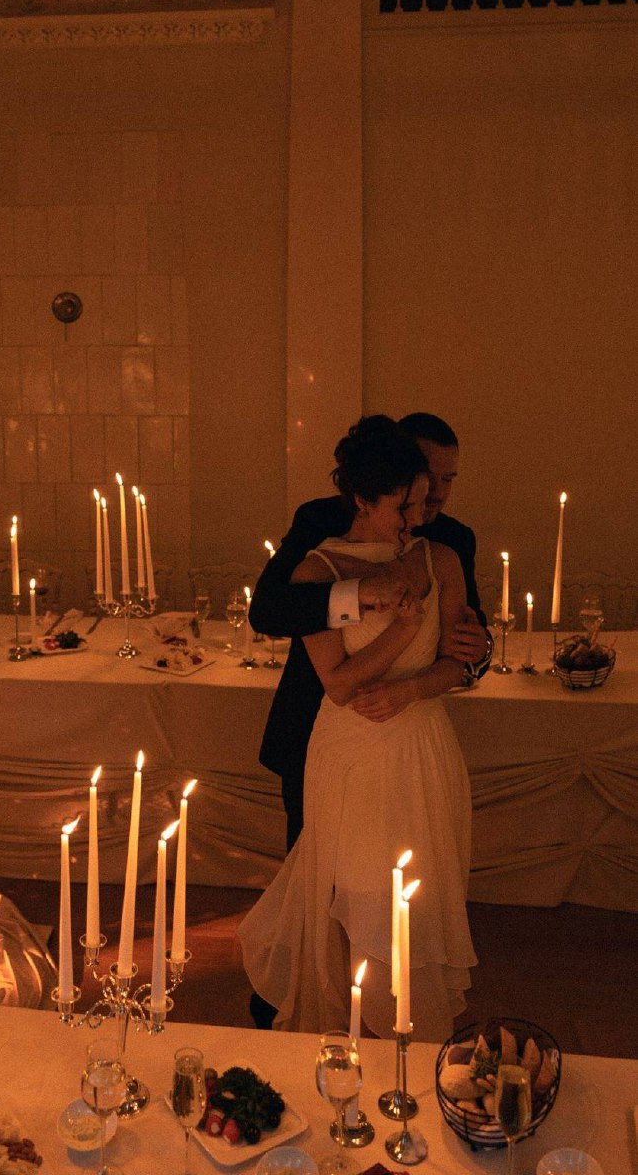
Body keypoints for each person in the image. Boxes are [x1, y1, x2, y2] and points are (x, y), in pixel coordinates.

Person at [239, 416, 477, 1040]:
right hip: (340, 748)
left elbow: (462, 653)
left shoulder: (445, 549)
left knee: (417, 897)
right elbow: (279, 620)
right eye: (418, 492)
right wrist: (389, 615)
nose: (430, 504)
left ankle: (406, 1038)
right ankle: (322, 1029)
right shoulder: (318, 543)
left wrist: (438, 672)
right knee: (337, 892)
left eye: (443, 484)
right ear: (369, 494)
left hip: (422, 749)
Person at [250, 412, 490, 855]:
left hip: (415, 740)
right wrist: (357, 593)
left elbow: (467, 636)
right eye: (428, 475)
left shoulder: (452, 541)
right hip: (319, 724)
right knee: (321, 866)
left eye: (448, 479)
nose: (436, 494)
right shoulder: (320, 519)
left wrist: (481, 647)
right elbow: (267, 609)